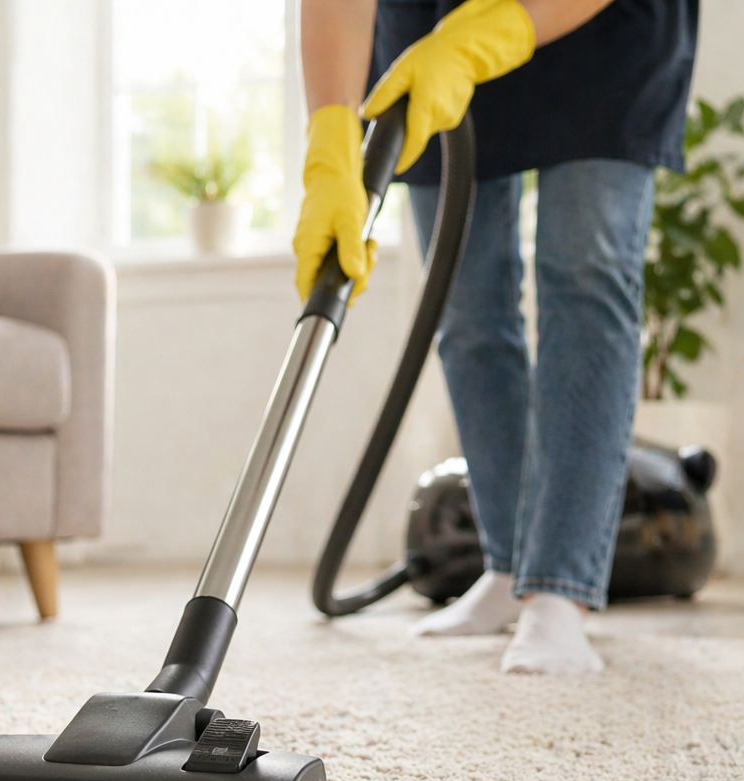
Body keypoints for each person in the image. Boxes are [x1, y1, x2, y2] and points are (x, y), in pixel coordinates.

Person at [296, 0, 699, 674]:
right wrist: (330, 138)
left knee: (586, 277)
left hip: (600, 31)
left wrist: (501, 29)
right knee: (465, 300)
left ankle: (559, 590)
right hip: (428, 33)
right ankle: (510, 565)